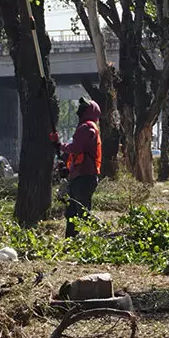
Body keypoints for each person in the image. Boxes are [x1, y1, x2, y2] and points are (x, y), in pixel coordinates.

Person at [49, 98, 103, 237]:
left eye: (83, 107)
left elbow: (76, 148)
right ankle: (70, 241)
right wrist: (66, 166)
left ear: (88, 111)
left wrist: (59, 144)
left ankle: (98, 235)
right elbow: (77, 154)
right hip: (81, 176)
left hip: (84, 178)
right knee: (72, 212)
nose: (79, 109)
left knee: (82, 213)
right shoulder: (87, 127)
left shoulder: (86, 128)